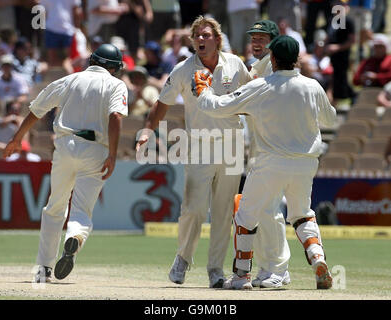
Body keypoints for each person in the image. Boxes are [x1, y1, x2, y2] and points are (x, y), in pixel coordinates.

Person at [192, 35, 335, 290]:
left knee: (245, 216)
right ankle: (317, 259)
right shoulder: (313, 86)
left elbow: (218, 106)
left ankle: (241, 276)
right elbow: (331, 120)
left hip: (271, 161)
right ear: (297, 59)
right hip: (306, 163)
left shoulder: (262, 86)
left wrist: (203, 91)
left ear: (273, 58)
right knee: (302, 215)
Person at [136, 15, 251, 288]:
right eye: (197, 35)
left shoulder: (235, 64)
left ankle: (215, 270)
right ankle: (183, 258)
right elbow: (161, 104)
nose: (201, 39)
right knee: (194, 209)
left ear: (218, 40)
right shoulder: (183, 69)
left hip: (232, 146)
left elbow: (252, 96)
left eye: (206, 35)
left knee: (224, 212)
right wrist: (147, 130)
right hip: (199, 145)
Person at [3, 44, 128, 283]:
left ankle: (43, 268)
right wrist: (112, 154)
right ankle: (76, 236)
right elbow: (115, 117)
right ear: (114, 67)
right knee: (82, 210)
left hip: (65, 145)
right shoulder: (116, 84)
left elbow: (37, 109)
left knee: (54, 207)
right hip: (96, 149)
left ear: (92, 60)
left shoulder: (70, 79)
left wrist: (17, 138)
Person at [241, 19, 291, 288]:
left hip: (273, 150)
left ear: (273, 41)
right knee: (262, 210)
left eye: (262, 37)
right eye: (254, 37)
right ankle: (268, 268)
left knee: (270, 210)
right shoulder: (256, 67)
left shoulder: (273, 68)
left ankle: (278, 270)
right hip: (259, 149)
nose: (256, 42)